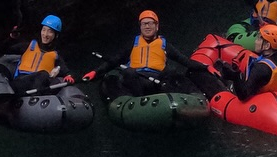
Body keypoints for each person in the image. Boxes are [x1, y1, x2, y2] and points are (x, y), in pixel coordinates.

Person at [84, 10, 213, 99]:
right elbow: (114, 60)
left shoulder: (164, 44)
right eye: (144, 24)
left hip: (157, 80)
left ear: (157, 26)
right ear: (140, 27)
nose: (147, 26)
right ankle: (140, 103)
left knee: (171, 71)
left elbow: (185, 61)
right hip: (137, 80)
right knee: (129, 72)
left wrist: (206, 67)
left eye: (150, 23)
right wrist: (95, 72)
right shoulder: (133, 43)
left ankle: (169, 101)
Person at [220, 22, 277, 100]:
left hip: (258, 99)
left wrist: (235, 76)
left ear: (267, 45)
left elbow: (243, 96)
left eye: (259, 39)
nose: (255, 41)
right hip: (272, 93)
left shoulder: (260, 68)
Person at [7, 15, 73, 95]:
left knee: (45, 75)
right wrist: (11, 38)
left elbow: (66, 72)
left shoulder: (55, 55)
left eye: (50, 31)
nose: (45, 34)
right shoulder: (28, 46)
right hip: (21, 80)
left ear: (56, 35)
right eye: (44, 30)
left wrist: (68, 76)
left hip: (39, 86)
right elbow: (6, 49)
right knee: (43, 75)